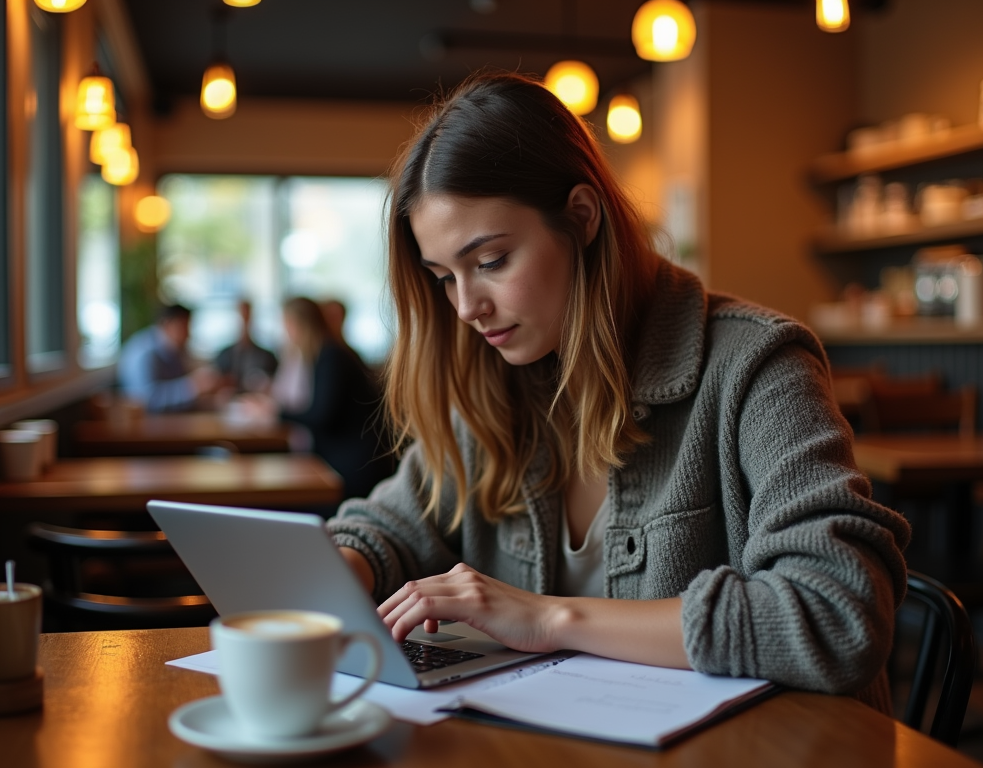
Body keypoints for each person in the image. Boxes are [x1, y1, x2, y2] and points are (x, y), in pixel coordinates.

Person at [325, 72, 911, 714]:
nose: (466, 306)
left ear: (581, 218)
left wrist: (549, 619)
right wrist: (340, 568)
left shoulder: (757, 364)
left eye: (491, 261)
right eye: (444, 277)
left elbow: (837, 613)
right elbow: (388, 526)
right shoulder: (499, 380)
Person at [254, 296, 393, 501]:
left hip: (354, 466)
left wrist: (275, 412)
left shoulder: (331, 357)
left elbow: (321, 416)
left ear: (301, 324)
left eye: (287, 325)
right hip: (344, 458)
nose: (286, 333)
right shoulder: (323, 354)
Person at [117, 303, 221, 413]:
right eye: (184, 327)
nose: (188, 335)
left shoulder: (172, 349)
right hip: (148, 426)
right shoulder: (143, 353)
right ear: (167, 324)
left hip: (170, 421)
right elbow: (145, 400)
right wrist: (193, 386)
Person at [214, 299, 278, 394]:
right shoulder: (223, 355)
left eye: (247, 316)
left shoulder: (268, 357)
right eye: (241, 315)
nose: (244, 321)